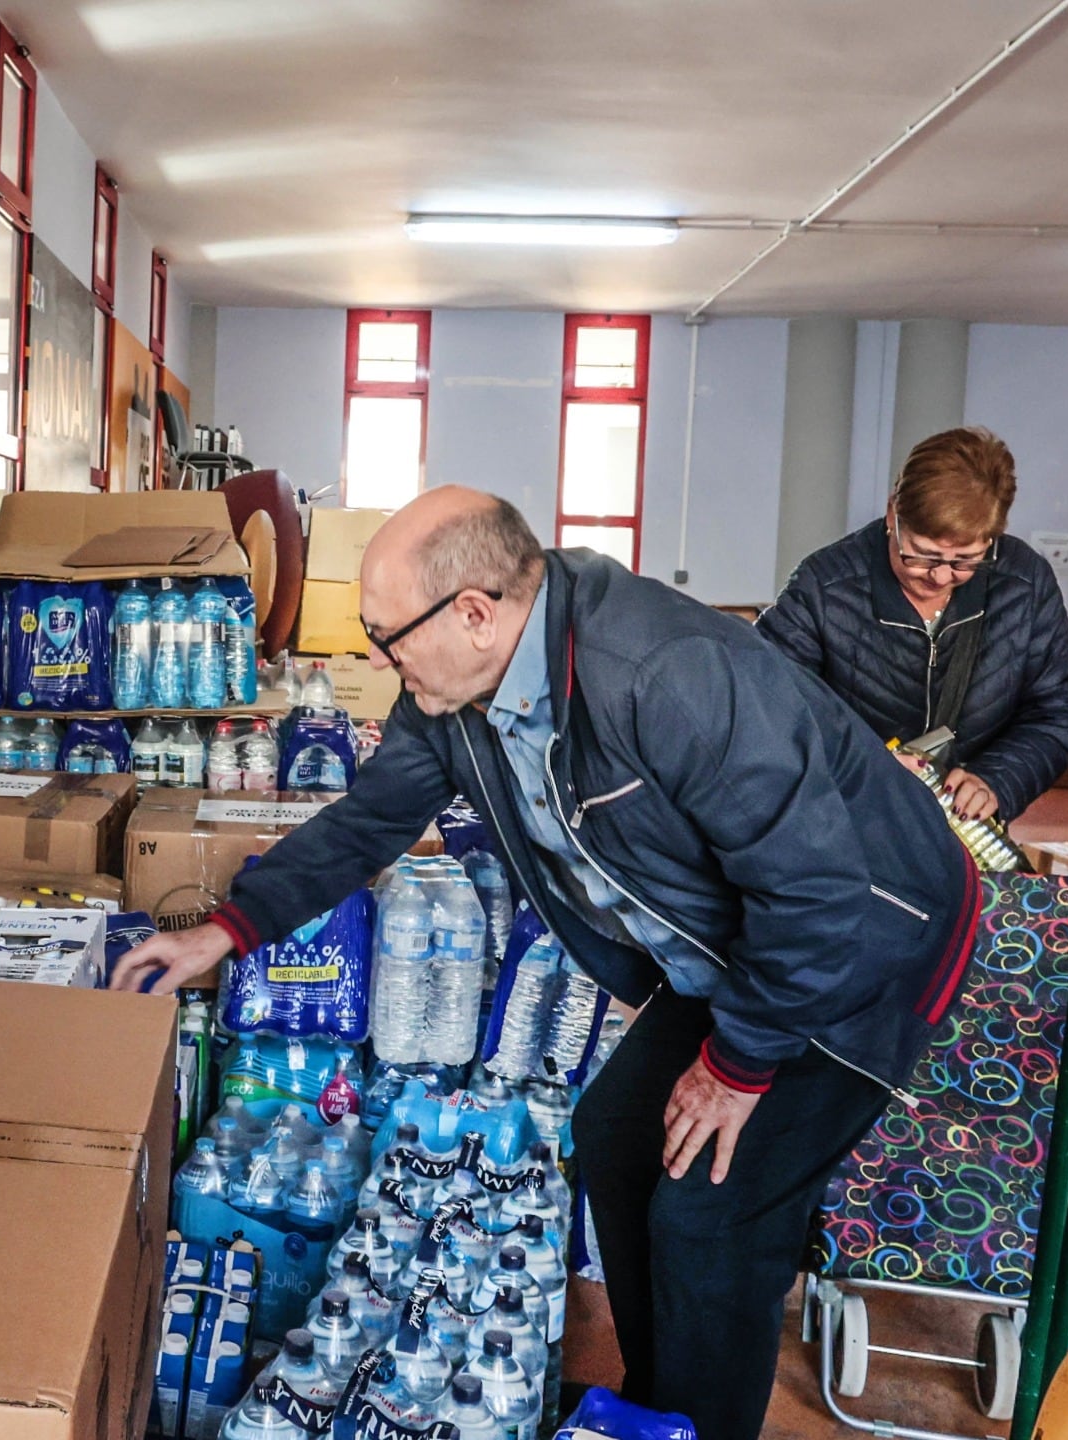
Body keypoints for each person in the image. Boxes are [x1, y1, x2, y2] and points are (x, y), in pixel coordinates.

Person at [110, 488, 975, 1440]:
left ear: (475, 614)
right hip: (747, 940)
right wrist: (225, 931)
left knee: (708, 1221)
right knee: (615, 1131)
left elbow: (816, 889)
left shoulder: (661, 674)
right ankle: (659, 1407)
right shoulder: (458, 692)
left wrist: (733, 1071)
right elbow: (370, 821)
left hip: (867, 946)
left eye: (384, 635)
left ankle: (699, 1424)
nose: (375, 659)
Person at [759, 426, 1068, 823]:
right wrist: (861, 765)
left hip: (960, 832)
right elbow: (766, 708)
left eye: (965, 561)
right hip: (844, 820)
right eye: (923, 555)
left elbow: (1061, 710)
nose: (940, 576)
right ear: (892, 513)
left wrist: (997, 779)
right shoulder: (825, 586)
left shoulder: (1024, 583)